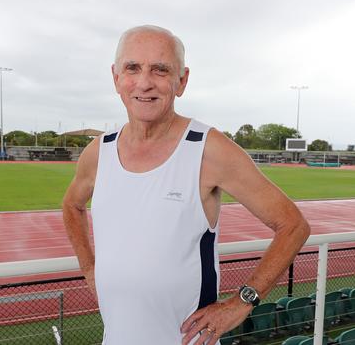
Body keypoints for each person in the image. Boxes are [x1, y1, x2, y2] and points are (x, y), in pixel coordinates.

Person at [62, 25, 310, 345]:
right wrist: (88, 268)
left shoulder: (208, 148)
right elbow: (72, 205)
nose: (145, 82)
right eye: (132, 68)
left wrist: (243, 301)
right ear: (116, 77)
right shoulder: (99, 151)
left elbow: (293, 225)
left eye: (161, 70)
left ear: (182, 81)